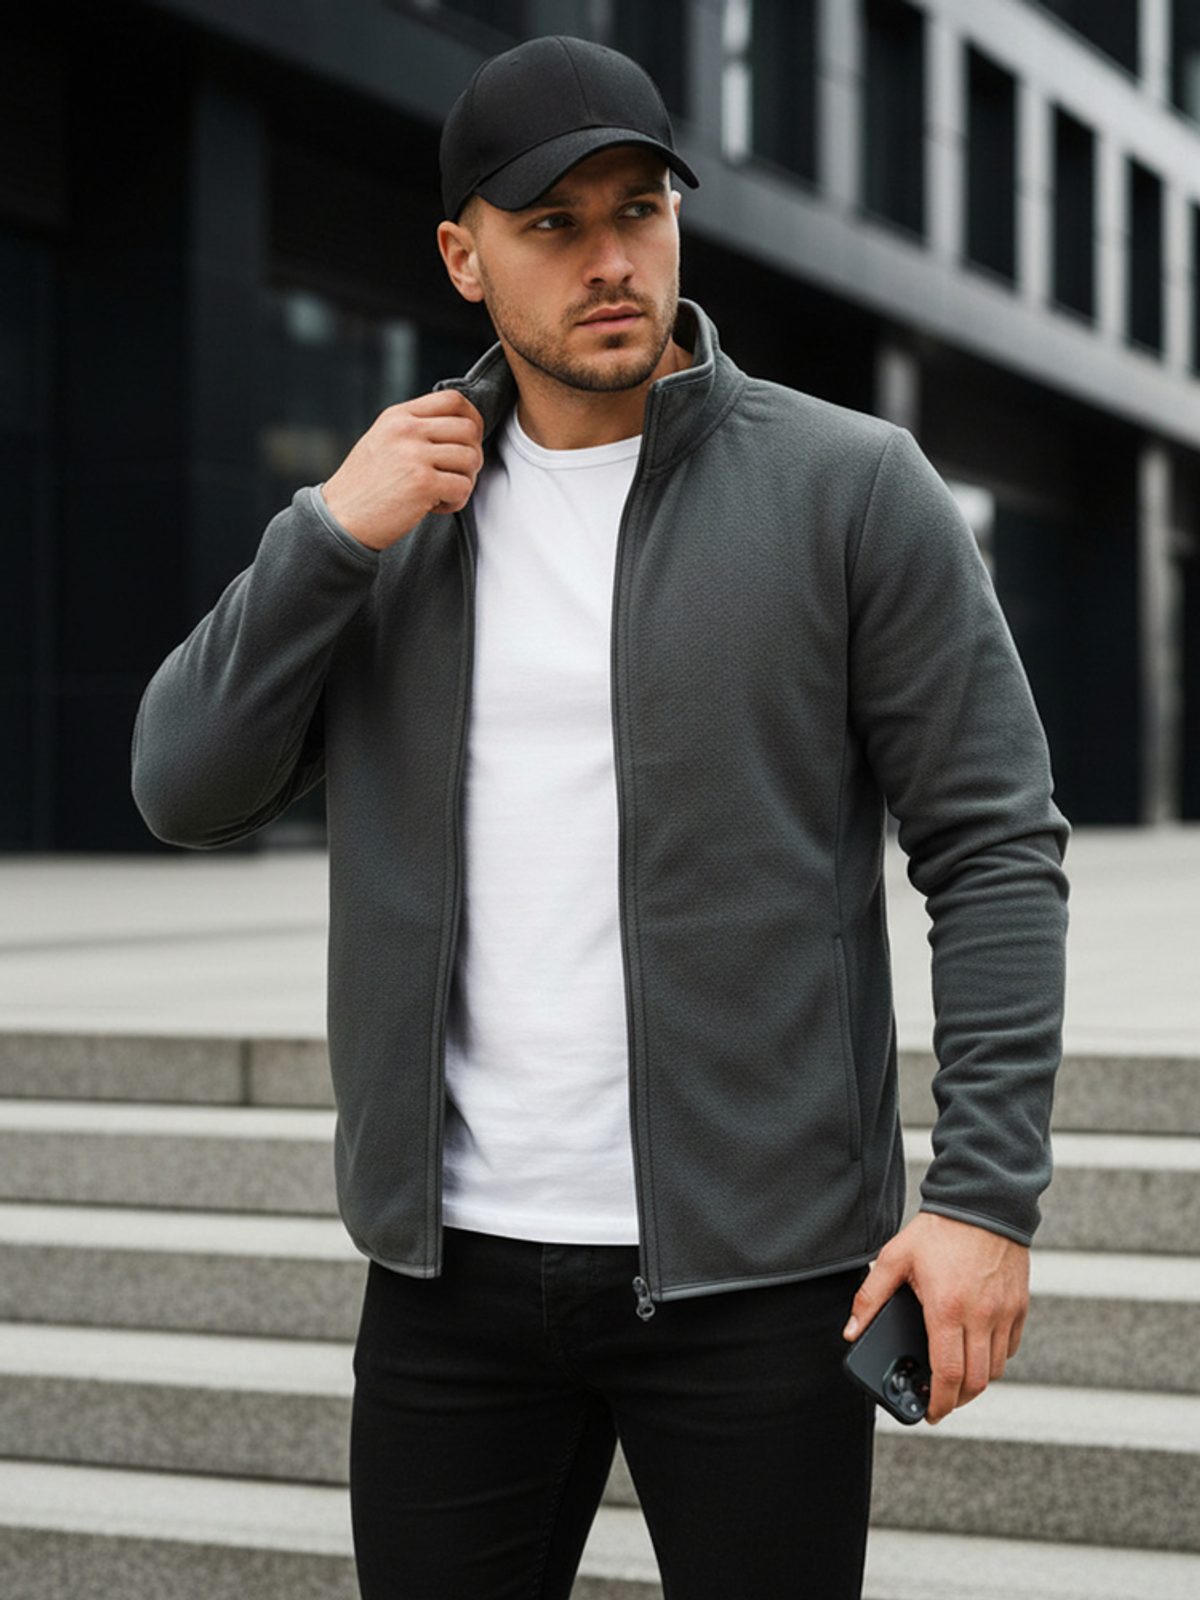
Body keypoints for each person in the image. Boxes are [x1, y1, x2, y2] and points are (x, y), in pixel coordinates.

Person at [130, 31, 1070, 1600]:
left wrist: (983, 1196)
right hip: (451, 1278)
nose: (610, 258)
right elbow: (182, 786)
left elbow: (994, 846)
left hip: (764, 1277)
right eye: (552, 224)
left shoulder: (849, 488)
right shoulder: (396, 516)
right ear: (463, 257)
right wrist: (327, 537)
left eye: (638, 208)